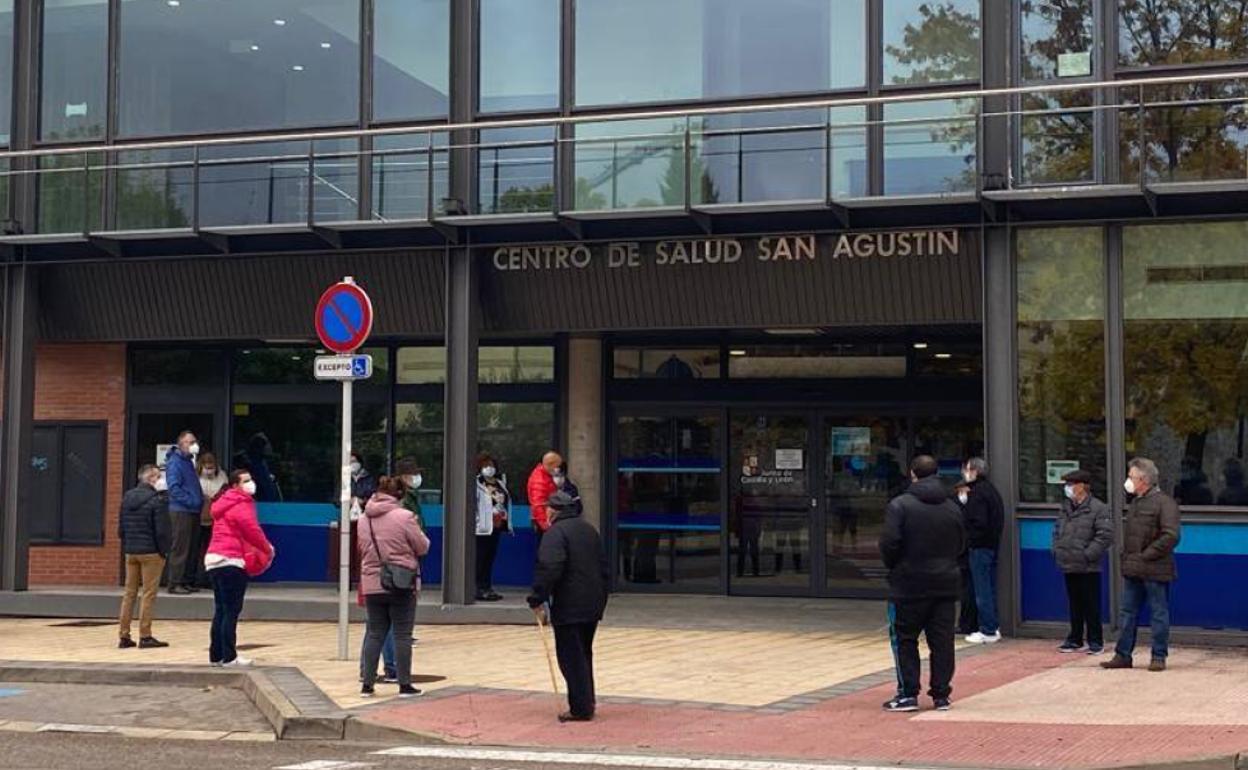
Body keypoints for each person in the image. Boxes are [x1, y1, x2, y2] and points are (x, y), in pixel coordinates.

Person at [879, 455, 964, 713]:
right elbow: (961, 544)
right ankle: (941, 694)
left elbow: (890, 544)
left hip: (908, 585)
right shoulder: (952, 506)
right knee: (942, 642)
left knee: (905, 639)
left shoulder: (900, 505)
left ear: (913, 474)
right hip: (945, 584)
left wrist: (896, 566)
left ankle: (908, 693)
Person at [528, 491, 610, 723]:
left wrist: (536, 597)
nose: (546, 512)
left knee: (571, 657)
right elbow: (604, 568)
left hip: (569, 604)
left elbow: (549, 567)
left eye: (548, 508)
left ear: (554, 511)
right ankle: (587, 701)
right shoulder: (589, 530)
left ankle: (581, 707)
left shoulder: (555, 534)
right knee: (584, 653)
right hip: (592, 603)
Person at [1102, 458, 1181, 673]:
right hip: (1134, 568)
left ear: (1143, 479)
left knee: (1158, 614)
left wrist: (1147, 555)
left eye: (1131, 477)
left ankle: (1158, 656)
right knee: (1127, 613)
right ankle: (1122, 654)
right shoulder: (1136, 502)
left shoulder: (1165, 503)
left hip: (1155, 569)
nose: (1128, 481)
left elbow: (1171, 535)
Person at [359, 476, 430, 698]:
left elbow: (362, 548)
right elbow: (422, 547)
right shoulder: (405, 516)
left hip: (372, 581)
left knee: (374, 633)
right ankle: (404, 684)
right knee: (402, 634)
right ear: (399, 495)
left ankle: (367, 685)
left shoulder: (364, 518)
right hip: (400, 582)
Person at [206, 469, 275, 667]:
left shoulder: (223, 503)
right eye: (246, 480)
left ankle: (216, 655)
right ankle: (229, 657)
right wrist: (267, 548)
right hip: (232, 560)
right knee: (231, 611)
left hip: (213, 559)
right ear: (236, 485)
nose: (251, 483)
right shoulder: (242, 503)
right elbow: (252, 530)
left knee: (220, 609)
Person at [1052, 470, 1113, 654]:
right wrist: (1056, 549)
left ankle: (1095, 641)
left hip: (1088, 566)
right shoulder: (1066, 507)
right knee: (1074, 603)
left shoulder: (1098, 508)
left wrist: (1088, 554)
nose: (1067, 488)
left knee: (1090, 604)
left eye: (1070, 484)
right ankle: (1075, 638)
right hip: (1068, 562)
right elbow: (1057, 530)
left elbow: (1105, 535)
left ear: (1081, 486)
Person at [118, 464, 173, 649]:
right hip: (151, 552)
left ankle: (124, 635)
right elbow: (162, 530)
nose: (161, 480)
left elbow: (121, 528)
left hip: (131, 551)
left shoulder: (127, 497)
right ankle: (145, 635)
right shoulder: (158, 499)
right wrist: (164, 551)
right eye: (158, 476)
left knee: (129, 593)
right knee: (148, 594)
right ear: (150, 479)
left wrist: (128, 544)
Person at [961, 457, 1005, 644]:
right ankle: (991, 627)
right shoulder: (991, 491)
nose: (965, 472)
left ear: (975, 471)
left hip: (980, 548)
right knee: (987, 587)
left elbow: (978, 523)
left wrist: (969, 541)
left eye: (967, 469)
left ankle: (988, 629)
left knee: (982, 590)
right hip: (990, 546)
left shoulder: (978, 493)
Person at [165, 431, 204, 595]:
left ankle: (187, 580)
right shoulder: (175, 463)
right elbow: (174, 488)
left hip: (193, 510)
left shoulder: (188, 462)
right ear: (181, 444)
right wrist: (192, 501)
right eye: (190, 442)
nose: (194, 444)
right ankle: (175, 582)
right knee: (181, 547)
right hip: (181, 510)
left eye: (194, 441)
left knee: (192, 547)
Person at [475, 452, 512, 602]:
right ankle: (477, 588)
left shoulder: (499, 483)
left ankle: (487, 587)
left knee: (490, 558)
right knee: (480, 559)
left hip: (496, 526)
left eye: (491, 465)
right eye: (485, 465)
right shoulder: (477, 483)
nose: (489, 468)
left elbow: (505, 501)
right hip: (481, 527)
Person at [194, 453, 228, 589]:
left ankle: (211, 579)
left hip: (215, 519)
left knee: (213, 550)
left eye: (211, 467)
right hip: (198, 518)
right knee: (197, 550)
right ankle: (197, 578)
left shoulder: (222, 477)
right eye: (206, 467)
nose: (209, 470)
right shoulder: (195, 477)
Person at [953, 481, 978, 636]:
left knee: (968, 590)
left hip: (967, 552)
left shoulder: (971, 507)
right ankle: (966, 623)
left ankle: (968, 624)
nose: (962, 493)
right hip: (964, 553)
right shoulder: (955, 505)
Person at [527, 451, 564, 548]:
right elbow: (538, 505)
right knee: (546, 551)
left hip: (548, 518)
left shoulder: (545, 475)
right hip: (545, 520)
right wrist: (546, 526)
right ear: (551, 464)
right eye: (557, 466)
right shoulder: (540, 480)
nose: (558, 469)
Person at [349, 453, 378, 519]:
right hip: (347, 516)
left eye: (354, 461)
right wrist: (347, 501)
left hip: (367, 514)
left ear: (360, 463)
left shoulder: (370, 478)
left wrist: (363, 501)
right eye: (349, 462)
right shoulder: (345, 479)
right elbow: (336, 499)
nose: (352, 464)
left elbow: (375, 496)